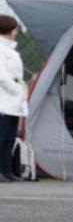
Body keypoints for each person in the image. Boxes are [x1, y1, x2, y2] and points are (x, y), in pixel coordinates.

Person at [0, 15, 28, 183]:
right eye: (15, 29)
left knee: (10, 137)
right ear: (9, 30)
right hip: (4, 98)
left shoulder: (10, 49)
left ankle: (7, 170)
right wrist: (16, 89)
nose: (17, 32)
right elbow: (2, 75)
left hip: (14, 100)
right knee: (1, 136)